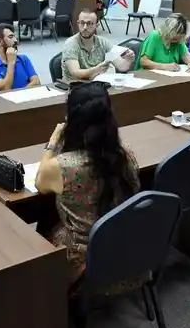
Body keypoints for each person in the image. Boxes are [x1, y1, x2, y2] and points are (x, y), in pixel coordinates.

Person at [35, 81, 139, 286]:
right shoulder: (124, 154)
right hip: (124, 249)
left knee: (43, 220)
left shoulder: (61, 166)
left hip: (83, 260)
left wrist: (53, 142)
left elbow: (40, 183)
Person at [61, 9, 135, 81]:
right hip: (73, 85)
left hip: (94, 84)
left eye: (89, 23)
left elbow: (121, 67)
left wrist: (128, 60)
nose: (85, 27)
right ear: (78, 23)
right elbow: (75, 73)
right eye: (82, 23)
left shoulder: (103, 42)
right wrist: (96, 70)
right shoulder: (71, 43)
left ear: (97, 25)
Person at [0, 24, 40, 91]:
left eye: (14, 37)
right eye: (10, 37)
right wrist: (11, 62)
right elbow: (5, 89)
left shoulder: (23, 59)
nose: (15, 40)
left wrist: (21, 94)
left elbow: (36, 82)